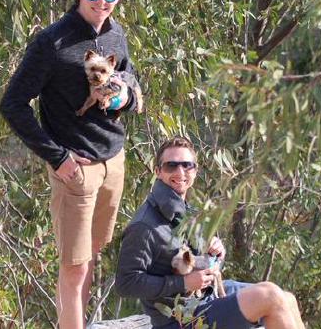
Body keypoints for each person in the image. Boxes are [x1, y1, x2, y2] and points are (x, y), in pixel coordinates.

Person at [0, 0, 140, 329]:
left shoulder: (115, 34)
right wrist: (58, 157)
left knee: (91, 256)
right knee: (73, 267)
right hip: (75, 170)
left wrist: (125, 97)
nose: (102, 1)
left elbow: (130, 78)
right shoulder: (52, 42)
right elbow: (13, 104)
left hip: (113, 162)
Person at [115, 136, 305, 329]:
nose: (180, 172)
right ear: (158, 171)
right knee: (270, 296)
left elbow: (207, 266)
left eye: (187, 165)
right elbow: (125, 284)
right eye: (171, 166)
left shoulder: (187, 211)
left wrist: (217, 253)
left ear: (195, 171)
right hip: (178, 320)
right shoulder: (145, 225)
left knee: (286, 298)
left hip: (206, 297)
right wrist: (184, 283)